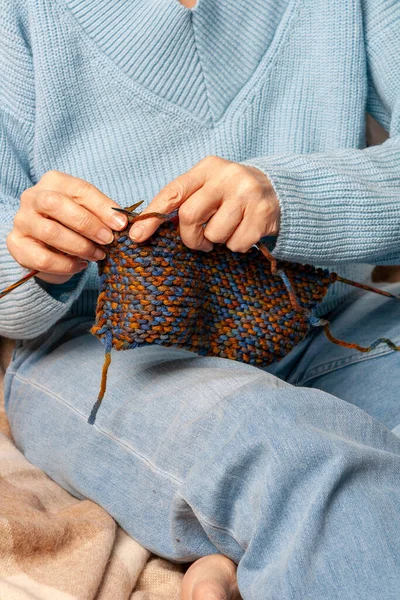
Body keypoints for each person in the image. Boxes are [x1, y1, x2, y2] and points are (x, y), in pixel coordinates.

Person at [1, 0, 400, 597]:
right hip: (97, 355)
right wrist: (35, 255)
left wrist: (295, 196)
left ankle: (255, 543)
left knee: (290, 463)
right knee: (285, 452)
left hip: (335, 322)